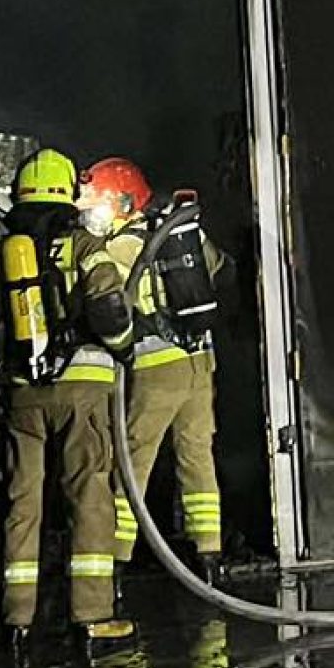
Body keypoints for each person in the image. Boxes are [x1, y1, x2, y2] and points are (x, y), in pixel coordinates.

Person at [0, 148, 136, 668]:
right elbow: (109, 309)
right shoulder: (84, 245)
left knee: (23, 503)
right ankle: (93, 619)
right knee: (89, 496)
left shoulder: (0, 256)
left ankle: (17, 620)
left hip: (22, 396)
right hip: (83, 391)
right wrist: (124, 348)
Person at [76, 158, 229, 589]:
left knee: (133, 462)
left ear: (123, 202)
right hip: (200, 362)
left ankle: (115, 559)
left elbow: (103, 300)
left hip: (156, 368)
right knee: (197, 457)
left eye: (97, 204)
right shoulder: (186, 234)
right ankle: (209, 555)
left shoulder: (120, 247)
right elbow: (219, 269)